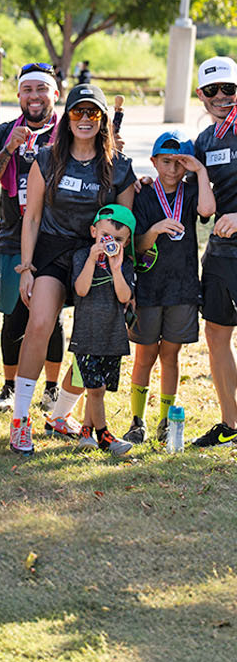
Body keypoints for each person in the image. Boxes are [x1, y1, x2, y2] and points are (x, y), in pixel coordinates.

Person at [12, 82, 135, 454]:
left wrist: (118, 271)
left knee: (94, 340)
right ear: (66, 117)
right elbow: (32, 217)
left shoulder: (119, 167)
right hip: (53, 252)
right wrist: (27, 267)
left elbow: (125, 227)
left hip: (96, 259)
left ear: (103, 120)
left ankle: (60, 414)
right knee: (39, 325)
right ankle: (20, 419)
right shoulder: (46, 159)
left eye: (93, 112)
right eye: (78, 111)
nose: (85, 118)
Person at [0, 63, 69, 419]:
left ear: (55, 94)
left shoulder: (69, 132)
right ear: (19, 95)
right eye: (28, 90)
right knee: (13, 314)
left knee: (51, 317)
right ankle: (9, 386)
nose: (34, 97)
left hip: (55, 238)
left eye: (41, 89)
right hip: (11, 237)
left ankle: (51, 388)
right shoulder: (5, 131)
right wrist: (8, 149)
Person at [126, 133, 215, 444]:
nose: (173, 170)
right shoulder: (143, 195)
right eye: (166, 162)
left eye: (180, 163)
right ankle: (137, 420)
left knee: (170, 354)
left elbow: (207, 211)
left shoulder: (191, 192)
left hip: (183, 287)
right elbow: (136, 246)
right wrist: (155, 229)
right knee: (145, 354)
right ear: (153, 162)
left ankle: (165, 420)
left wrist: (200, 171)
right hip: (149, 289)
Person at [187, 56, 237, 448]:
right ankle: (231, 424)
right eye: (212, 90)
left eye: (229, 89)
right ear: (201, 94)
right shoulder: (205, 140)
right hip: (221, 253)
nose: (221, 97)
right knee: (216, 333)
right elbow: (196, 199)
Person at [68, 206, 139, 453]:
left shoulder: (125, 264)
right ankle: (105, 437)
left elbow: (124, 296)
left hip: (112, 335)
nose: (111, 243)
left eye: (118, 239)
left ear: (126, 242)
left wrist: (116, 268)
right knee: (95, 388)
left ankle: (86, 432)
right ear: (93, 232)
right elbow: (81, 290)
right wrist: (91, 259)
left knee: (98, 389)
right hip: (86, 335)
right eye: (105, 236)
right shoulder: (81, 257)